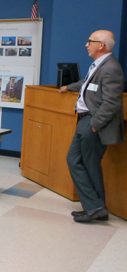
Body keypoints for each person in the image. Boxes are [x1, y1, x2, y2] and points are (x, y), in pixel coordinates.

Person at [59, 30, 124, 223]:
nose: (86, 45)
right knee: (76, 161)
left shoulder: (111, 67)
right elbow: (87, 84)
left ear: (101, 45)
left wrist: (95, 125)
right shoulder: (99, 65)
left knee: (89, 165)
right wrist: (68, 87)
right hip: (85, 122)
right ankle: (95, 207)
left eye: (90, 41)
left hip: (93, 123)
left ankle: (95, 207)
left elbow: (112, 102)